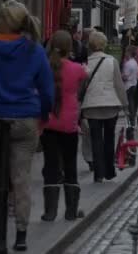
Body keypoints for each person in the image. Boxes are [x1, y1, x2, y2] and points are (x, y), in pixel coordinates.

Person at [0, 0, 54, 252]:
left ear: (1, 21)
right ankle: (20, 234)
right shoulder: (34, 50)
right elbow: (47, 90)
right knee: (21, 180)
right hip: (25, 118)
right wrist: (44, 115)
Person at [40, 30, 88, 223]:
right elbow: (86, 75)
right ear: (70, 48)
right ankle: (70, 211)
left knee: (51, 166)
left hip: (49, 122)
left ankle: (50, 212)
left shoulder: (46, 67)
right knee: (70, 166)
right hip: (69, 123)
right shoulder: (76, 69)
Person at [81, 32, 128, 183]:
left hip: (92, 105)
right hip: (110, 104)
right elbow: (118, 84)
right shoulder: (111, 61)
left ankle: (98, 174)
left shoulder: (86, 62)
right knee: (109, 138)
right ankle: (109, 171)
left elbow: (81, 85)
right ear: (104, 44)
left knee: (96, 140)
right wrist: (125, 104)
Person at [122, 45, 138, 126]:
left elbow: (125, 77)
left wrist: (120, 75)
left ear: (129, 53)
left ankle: (130, 121)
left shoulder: (128, 64)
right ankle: (132, 121)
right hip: (134, 84)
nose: (125, 53)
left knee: (128, 104)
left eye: (126, 51)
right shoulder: (135, 62)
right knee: (132, 103)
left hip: (128, 86)